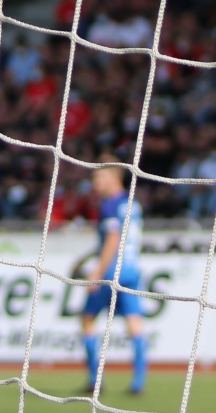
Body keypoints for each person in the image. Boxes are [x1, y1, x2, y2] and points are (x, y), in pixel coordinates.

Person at [81, 163, 148, 397]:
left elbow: (112, 238)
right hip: (131, 268)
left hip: (111, 271)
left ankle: (94, 380)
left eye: (100, 177)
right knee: (134, 323)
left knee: (87, 319)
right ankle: (138, 383)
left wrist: (97, 272)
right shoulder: (132, 203)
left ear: (114, 178)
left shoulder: (109, 204)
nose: (95, 183)